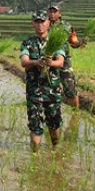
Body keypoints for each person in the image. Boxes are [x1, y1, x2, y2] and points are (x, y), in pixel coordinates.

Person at [20, 11, 66, 151]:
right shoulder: (27, 42)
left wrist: (50, 63)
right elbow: (24, 61)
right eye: (37, 22)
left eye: (43, 21)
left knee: (54, 123)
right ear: (33, 24)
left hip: (53, 90)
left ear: (48, 22)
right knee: (35, 124)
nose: (40, 25)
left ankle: (55, 151)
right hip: (34, 90)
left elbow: (60, 62)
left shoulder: (56, 41)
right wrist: (36, 62)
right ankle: (34, 156)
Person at [48, 4, 84, 109]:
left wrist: (79, 43)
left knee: (70, 88)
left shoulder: (67, 26)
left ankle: (75, 113)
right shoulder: (44, 25)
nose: (52, 14)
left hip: (64, 60)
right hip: (48, 59)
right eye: (50, 12)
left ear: (60, 13)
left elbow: (73, 41)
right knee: (49, 88)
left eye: (54, 12)